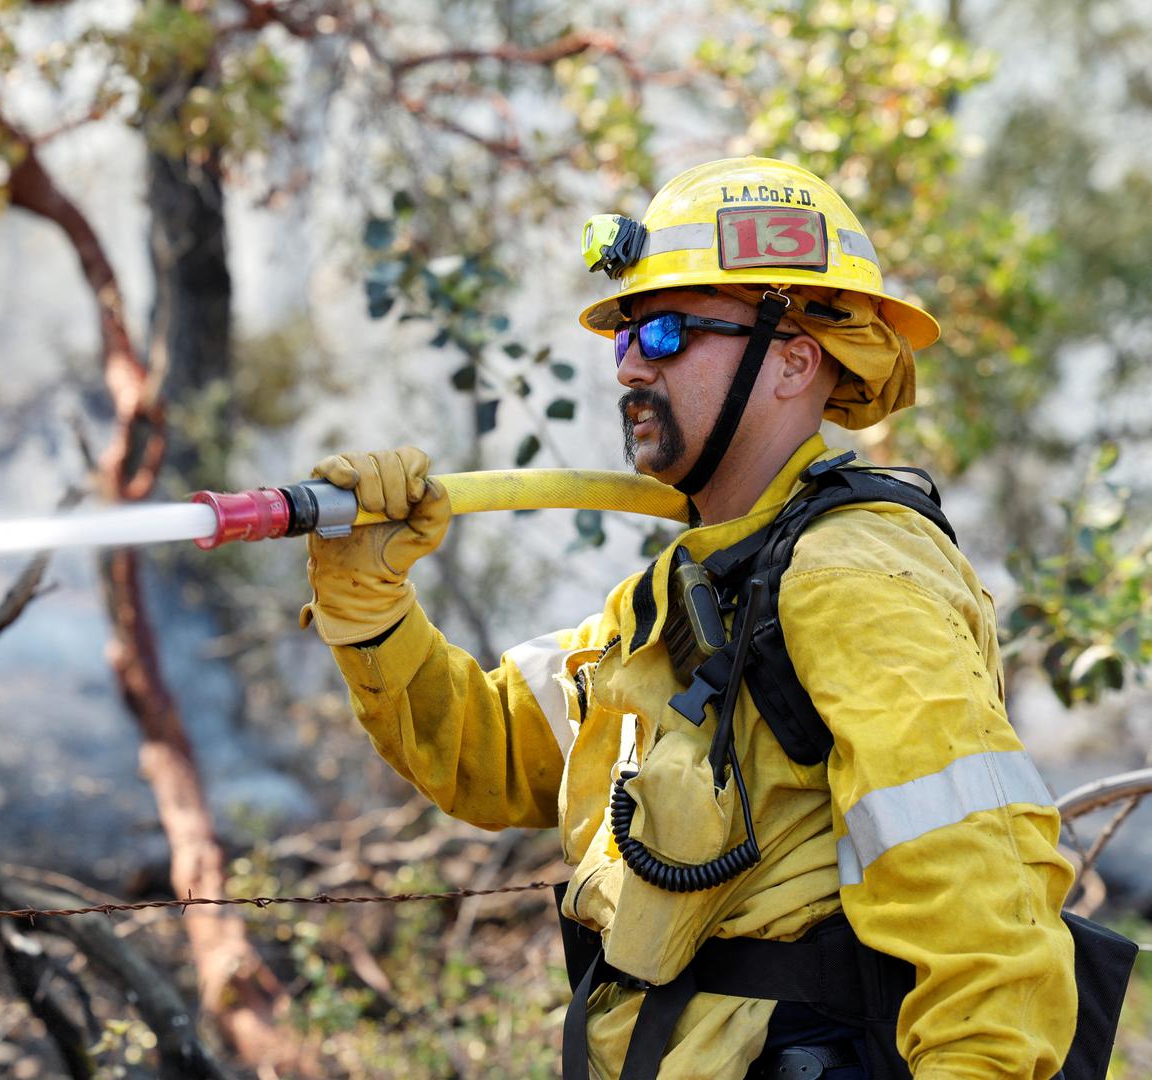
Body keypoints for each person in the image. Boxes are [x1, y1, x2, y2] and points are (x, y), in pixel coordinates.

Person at [299, 157, 1077, 1078]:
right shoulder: (694, 583)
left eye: (667, 332)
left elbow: (987, 913)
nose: (629, 363)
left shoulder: (851, 577)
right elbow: (492, 755)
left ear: (794, 360)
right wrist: (368, 605)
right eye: (626, 334)